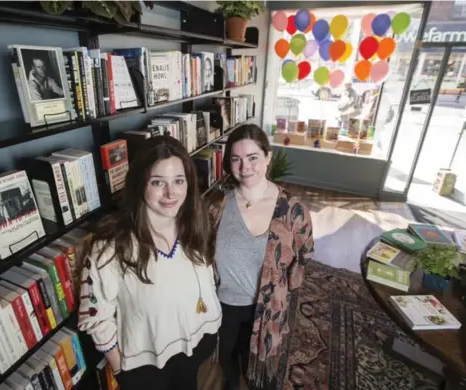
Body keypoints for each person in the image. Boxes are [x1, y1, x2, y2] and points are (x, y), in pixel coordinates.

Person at [77, 136, 221, 390]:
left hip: (194, 349)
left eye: (179, 180)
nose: (170, 193)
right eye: (157, 182)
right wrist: (120, 367)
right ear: (139, 184)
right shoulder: (112, 246)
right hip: (145, 369)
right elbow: (95, 317)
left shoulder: (196, 225)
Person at [206, 124, 314, 390]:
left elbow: (303, 258)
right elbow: (201, 252)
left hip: (266, 309)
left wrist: (284, 302)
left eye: (253, 157)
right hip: (223, 306)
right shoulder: (216, 205)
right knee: (226, 357)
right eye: (236, 159)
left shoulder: (294, 210)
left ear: (268, 157)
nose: (245, 167)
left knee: (256, 367)